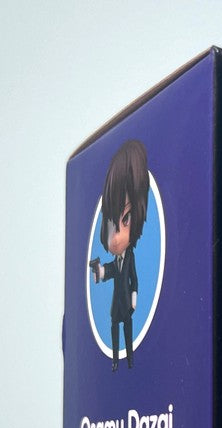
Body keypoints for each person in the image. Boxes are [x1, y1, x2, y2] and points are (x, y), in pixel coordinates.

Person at [90, 140, 149, 371]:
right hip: (116, 305)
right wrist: (98, 271)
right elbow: (109, 272)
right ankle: (116, 361)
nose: (116, 238)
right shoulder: (116, 261)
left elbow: (135, 280)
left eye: (126, 219)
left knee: (127, 332)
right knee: (115, 331)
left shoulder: (130, 257)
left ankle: (130, 360)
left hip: (127, 305)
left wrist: (134, 303)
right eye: (111, 223)